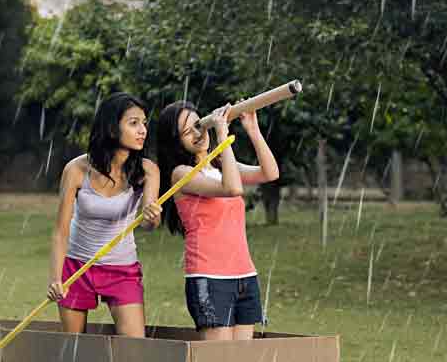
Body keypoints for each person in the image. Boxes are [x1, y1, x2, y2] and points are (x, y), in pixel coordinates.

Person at [156, 101, 279, 340]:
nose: (198, 134)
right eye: (187, 132)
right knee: (219, 359)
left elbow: (270, 173)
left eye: (199, 125)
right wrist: (223, 135)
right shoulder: (182, 174)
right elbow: (232, 188)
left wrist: (253, 130)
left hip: (244, 274)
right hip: (209, 276)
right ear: (175, 141)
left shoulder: (221, 164)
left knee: (242, 359)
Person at [47, 92, 161, 337]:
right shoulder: (76, 170)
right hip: (77, 266)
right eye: (133, 123)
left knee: (134, 347)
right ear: (111, 127)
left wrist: (151, 217)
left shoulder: (148, 170)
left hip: (122, 269)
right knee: (74, 348)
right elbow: (60, 231)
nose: (142, 130)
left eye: (144, 123)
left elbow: (149, 224)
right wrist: (56, 279)